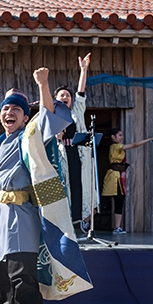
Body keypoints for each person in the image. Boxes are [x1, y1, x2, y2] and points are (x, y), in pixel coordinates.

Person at [0, 69, 73, 304]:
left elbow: (52, 117)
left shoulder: (29, 136)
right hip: (1, 215)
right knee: (5, 275)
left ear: (24, 117)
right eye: (5, 108)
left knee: (23, 277)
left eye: (16, 109)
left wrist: (43, 85)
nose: (9, 112)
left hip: (21, 216)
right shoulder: (0, 142)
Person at [53, 53, 93, 230]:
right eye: (62, 95)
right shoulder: (51, 114)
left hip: (78, 152)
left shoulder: (76, 110)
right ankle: (65, 221)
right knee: (64, 186)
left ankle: (83, 220)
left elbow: (81, 92)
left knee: (80, 185)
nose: (65, 97)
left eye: (67, 95)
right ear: (55, 99)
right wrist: (56, 137)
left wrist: (83, 69)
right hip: (62, 153)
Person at [101, 128, 153, 234]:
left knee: (119, 202)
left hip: (119, 176)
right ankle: (88, 221)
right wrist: (149, 139)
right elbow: (134, 145)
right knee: (104, 201)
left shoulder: (117, 146)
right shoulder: (115, 146)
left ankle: (117, 227)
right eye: (119, 135)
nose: (122, 137)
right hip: (113, 177)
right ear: (113, 137)